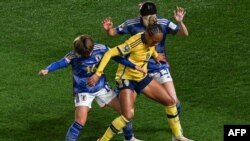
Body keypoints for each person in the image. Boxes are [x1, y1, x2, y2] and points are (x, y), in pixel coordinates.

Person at [88, 21, 192, 141]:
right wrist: (98, 73)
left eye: (158, 41)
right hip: (126, 79)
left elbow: (151, 47)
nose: (156, 43)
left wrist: (155, 55)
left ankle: (178, 136)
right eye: (154, 41)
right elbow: (109, 53)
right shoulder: (133, 43)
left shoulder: (152, 40)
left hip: (141, 77)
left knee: (170, 102)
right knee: (127, 115)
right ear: (147, 35)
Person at [38, 35, 145, 141]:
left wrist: (134, 66)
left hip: (101, 87)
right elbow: (60, 63)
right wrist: (47, 69)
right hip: (83, 91)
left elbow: (116, 57)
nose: (88, 54)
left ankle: (129, 138)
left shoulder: (101, 49)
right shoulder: (73, 55)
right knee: (80, 121)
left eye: (89, 52)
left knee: (126, 112)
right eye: (85, 54)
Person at [102, 1, 188, 116]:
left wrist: (180, 22)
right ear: (141, 16)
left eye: (153, 16)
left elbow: (183, 34)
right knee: (128, 110)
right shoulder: (131, 23)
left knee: (174, 101)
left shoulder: (163, 23)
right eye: (148, 18)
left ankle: (177, 131)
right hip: (137, 70)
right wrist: (109, 29)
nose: (152, 20)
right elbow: (113, 33)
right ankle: (109, 97)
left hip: (158, 67)